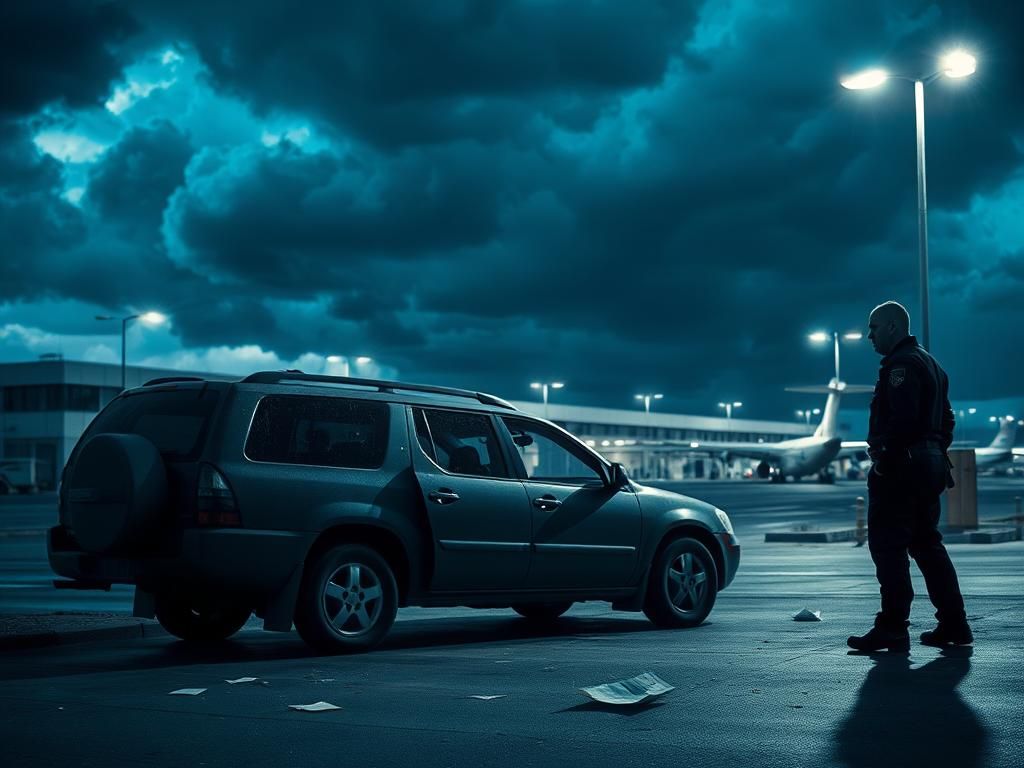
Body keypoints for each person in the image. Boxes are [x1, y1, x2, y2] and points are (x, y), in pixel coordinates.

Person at [847, 301, 973, 652]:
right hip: (929, 466)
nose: (869, 335)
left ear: (891, 326)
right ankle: (955, 623)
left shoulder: (900, 365)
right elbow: (947, 420)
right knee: (928, 545)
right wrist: (933, 449)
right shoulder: (932, 364)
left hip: (903, 469)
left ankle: (892, 626)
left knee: (889, 546)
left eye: (873, 328)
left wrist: (886, 457)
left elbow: (902, 418)